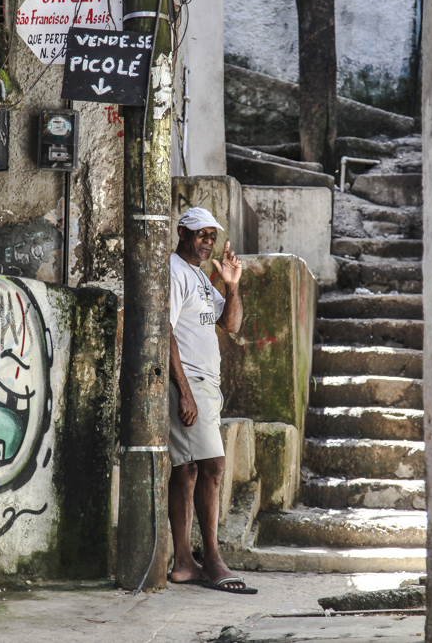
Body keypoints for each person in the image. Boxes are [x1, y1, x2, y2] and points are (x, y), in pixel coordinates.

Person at [167, 207, 256, 595]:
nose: (207, 242)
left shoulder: (202, 278)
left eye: (211, 236)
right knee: (214, 467)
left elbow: (232, 325)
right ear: (182, 234)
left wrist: (232, 285)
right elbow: (163, 333)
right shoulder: (173, 270)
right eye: (200, 234)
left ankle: (184, 562)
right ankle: (213, 558)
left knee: (187, 471)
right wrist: (184, 391)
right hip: (189, 383)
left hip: (208, 385)